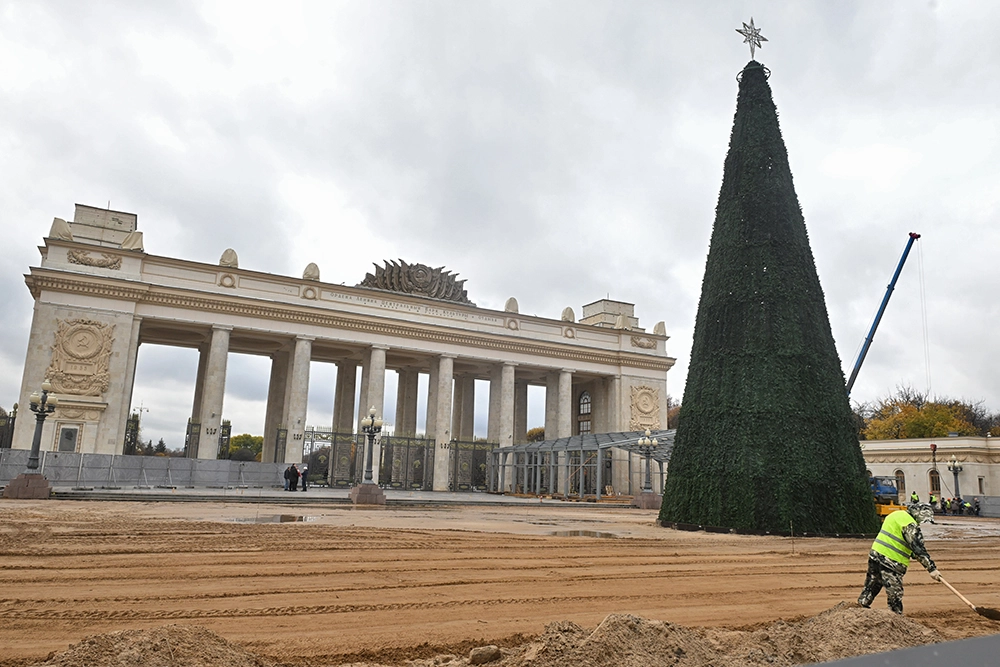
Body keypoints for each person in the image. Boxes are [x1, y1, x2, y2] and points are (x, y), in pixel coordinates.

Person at [858, 503, 940, 615]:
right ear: (918, 514)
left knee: (872, 583)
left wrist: (912, 553)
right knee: (894, 593)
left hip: (875, 554)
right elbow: (918, 548)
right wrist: (931, 568)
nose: (922, 522)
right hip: (891, 561)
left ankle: (860, 608)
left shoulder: (895, 515)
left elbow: (897, 538)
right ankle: (896, 619)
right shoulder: (909, 524)